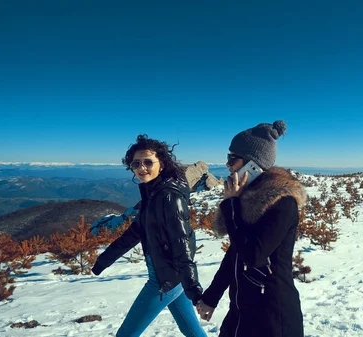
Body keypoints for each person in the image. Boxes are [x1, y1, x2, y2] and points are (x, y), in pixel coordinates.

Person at [196, 120, 306, 337]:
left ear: (253, 164)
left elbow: (252, 255)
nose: (227, 164)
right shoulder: (247, 200)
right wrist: (211, 297)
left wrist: (231, 205)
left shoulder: (282, 202)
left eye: (232, 158)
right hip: (242, 308)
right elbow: (235, 253)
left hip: (272, 315)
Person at [91, 134, 207, 337]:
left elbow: (182, 246)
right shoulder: (153, 193)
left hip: (165, 280)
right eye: (136, 163)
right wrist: (103, 260)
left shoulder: (168, 197)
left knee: (125, 334)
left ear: (161, 164)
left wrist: (195, 291)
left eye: (147, 162)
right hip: (171, 276)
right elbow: (135, 232)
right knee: (191, 331)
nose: (141, 167)